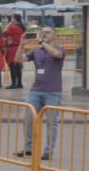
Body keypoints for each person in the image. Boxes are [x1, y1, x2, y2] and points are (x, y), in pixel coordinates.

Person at [18, 26, 66, 161]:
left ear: (55, 35)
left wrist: (42, 43)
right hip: (35, 91)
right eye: (42, 32)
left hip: (53, 92)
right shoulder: (36, 51)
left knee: (51, 122)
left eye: (47, 32)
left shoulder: (59, 49)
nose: (44, 34)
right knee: (27, 119)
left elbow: (57, 54)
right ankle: (28, 148)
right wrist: (21, 46)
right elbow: (18, 59)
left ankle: (48, 151)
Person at [4, 15, 26, 89]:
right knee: (18, 66)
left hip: (12, 48)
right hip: (19, 47)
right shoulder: (22, 28)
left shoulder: (13, 28)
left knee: (12, 66)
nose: (11, 19)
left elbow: (4, 32)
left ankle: (14, 83)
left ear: (15, 19)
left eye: (12, 18)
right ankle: (19, 83)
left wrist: (10, 23)